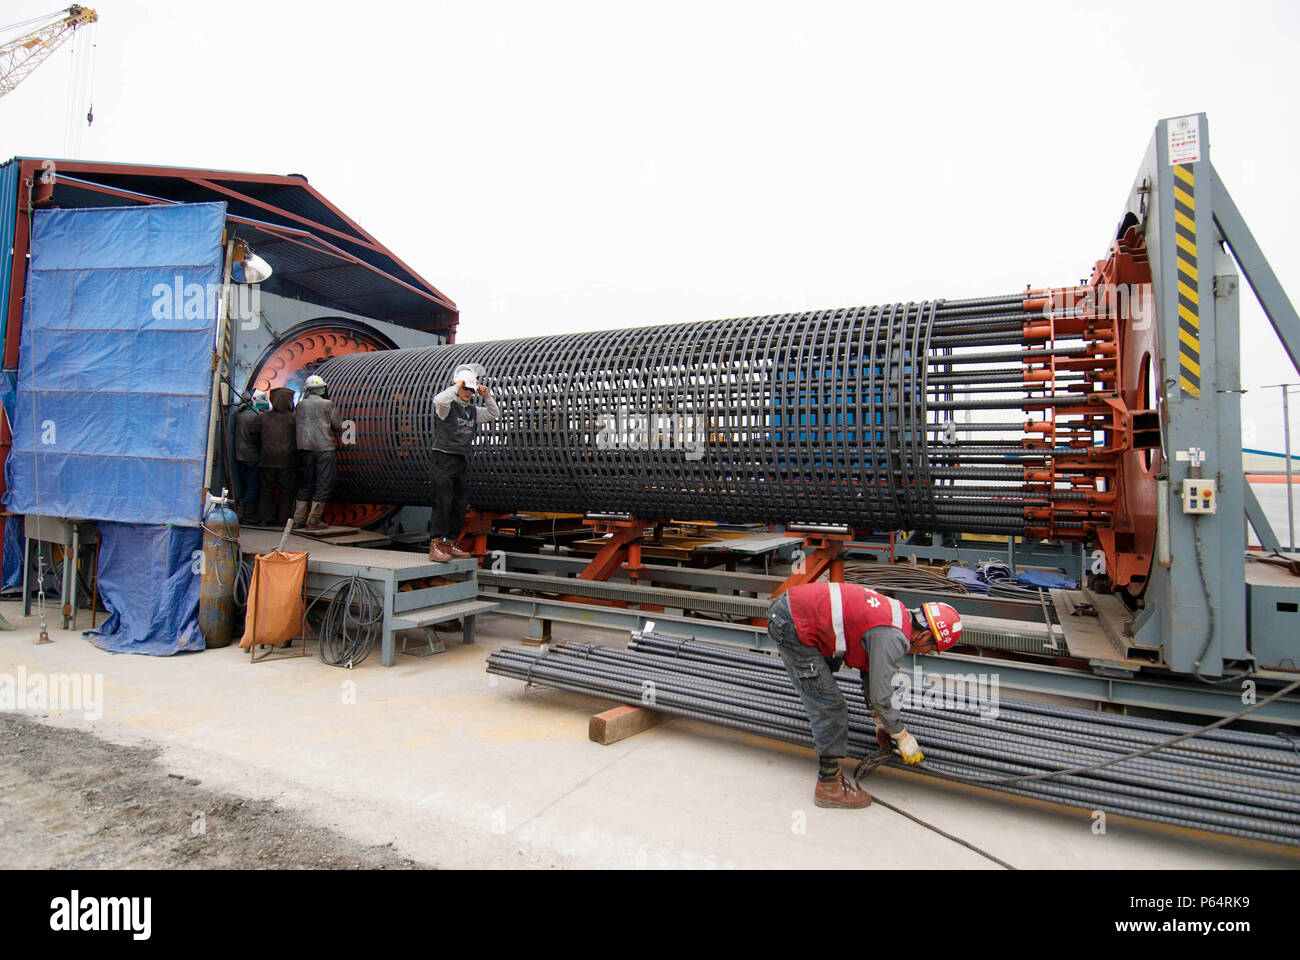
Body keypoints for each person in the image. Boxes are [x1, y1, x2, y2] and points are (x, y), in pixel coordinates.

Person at [766, 582, 962, 809]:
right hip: (792, 623)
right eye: (931, 648)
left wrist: (881, 722)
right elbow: (881, 694)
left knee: (825, 690)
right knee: (831, 707)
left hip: (797, 612)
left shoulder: (897, 616)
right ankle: (828, 786)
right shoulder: (893, 637)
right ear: (925, 635)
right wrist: (900, 734)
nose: (926, 653)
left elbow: (872, 673)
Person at [428, 365, 500, 562]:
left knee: (459, 503)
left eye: (471, 389)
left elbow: (494, 414)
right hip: (443, 458)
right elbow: (439, 399)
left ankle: (450, 541)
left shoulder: (473, 411)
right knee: (443, 501)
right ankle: (436, 543)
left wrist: (486, 396)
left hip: (460, 459)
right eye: (465, 388)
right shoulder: (446, 407)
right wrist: (457, 384)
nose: (468, 393)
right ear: (458, 386)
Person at [292, 374, 343, 530]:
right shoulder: (328, 404)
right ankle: (314, 521)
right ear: (322, 389)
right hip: (324, 449)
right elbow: (338, 425)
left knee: (307, 482)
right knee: (323, 483)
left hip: (305, 449)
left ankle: (298, 519)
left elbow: (294, 422)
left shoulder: (300, 405)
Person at [252, 387, 298, 526]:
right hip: (288, 460)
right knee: (286, 491)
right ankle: (284, 519)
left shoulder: (263, 417)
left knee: (266, 490)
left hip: (267, 459)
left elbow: (254, 435)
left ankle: (265, 518)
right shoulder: (293, 418)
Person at [233, 390, 267, 523]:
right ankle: (249, 513)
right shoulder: (256, 415)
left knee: (244, 484)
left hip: (240, 455)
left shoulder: (240, 414)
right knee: (253, 485)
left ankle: (241, 510)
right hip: (252, 456)